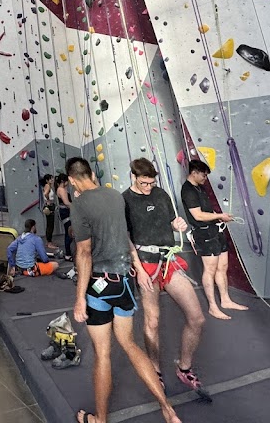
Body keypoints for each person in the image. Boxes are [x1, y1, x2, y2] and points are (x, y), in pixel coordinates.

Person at [67, 157, 181, 423]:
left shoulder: (79, 205)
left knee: (103, 354)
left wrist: (79, 299)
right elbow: (124, 236)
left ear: (72, 180)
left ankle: (100, 419)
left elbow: (84, 252)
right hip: (125, 282)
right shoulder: (115, 197)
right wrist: (138, 268)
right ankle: (167, 408)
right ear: (92, 174)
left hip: (101, 285)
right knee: (129, 344)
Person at [124, 158, 209, 398]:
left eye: (151, 183)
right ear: (133, 177)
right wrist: (139, 268)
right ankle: (155, 371)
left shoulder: (161, 194)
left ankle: (184, 368)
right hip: (146, 263)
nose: (148, 187)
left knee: (197, 318)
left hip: (168, 261)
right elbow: (126, 237)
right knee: (152, 321)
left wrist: (177, 224)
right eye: (143, 183)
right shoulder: (125, 200)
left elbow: (170, 221)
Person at [180, 159, 247, 320]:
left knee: (222, 266)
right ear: (194, 173)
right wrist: (219, 216)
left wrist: (220, 218)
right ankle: (212, 307)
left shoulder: (200, 187)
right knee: (210, 270)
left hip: (216, 230)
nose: (205, 178)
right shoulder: (188, 190)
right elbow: (198, 215)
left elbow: (207, 212)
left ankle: (225, 300)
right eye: (203, 175)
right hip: (204, 234)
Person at [56, 173, 74, 261]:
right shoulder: (62, 190)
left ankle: (68, 252)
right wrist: (75, 208)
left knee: (68, 232)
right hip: (66, 213)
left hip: (64, 212)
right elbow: (66, 202)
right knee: (69, 232)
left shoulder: (60, 189)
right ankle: (68, 253)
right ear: (63, 181)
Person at [41, 173, 58, 251]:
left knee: (50, 224)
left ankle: (49, 241)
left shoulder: (49, 186)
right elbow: (45, 193)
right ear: (47, 180)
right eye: (50, 179)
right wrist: (48, 200)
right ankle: (49, 242)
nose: (52, 180)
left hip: (50, 206)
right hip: (49, 206)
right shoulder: (47, 186)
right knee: (50, 225)